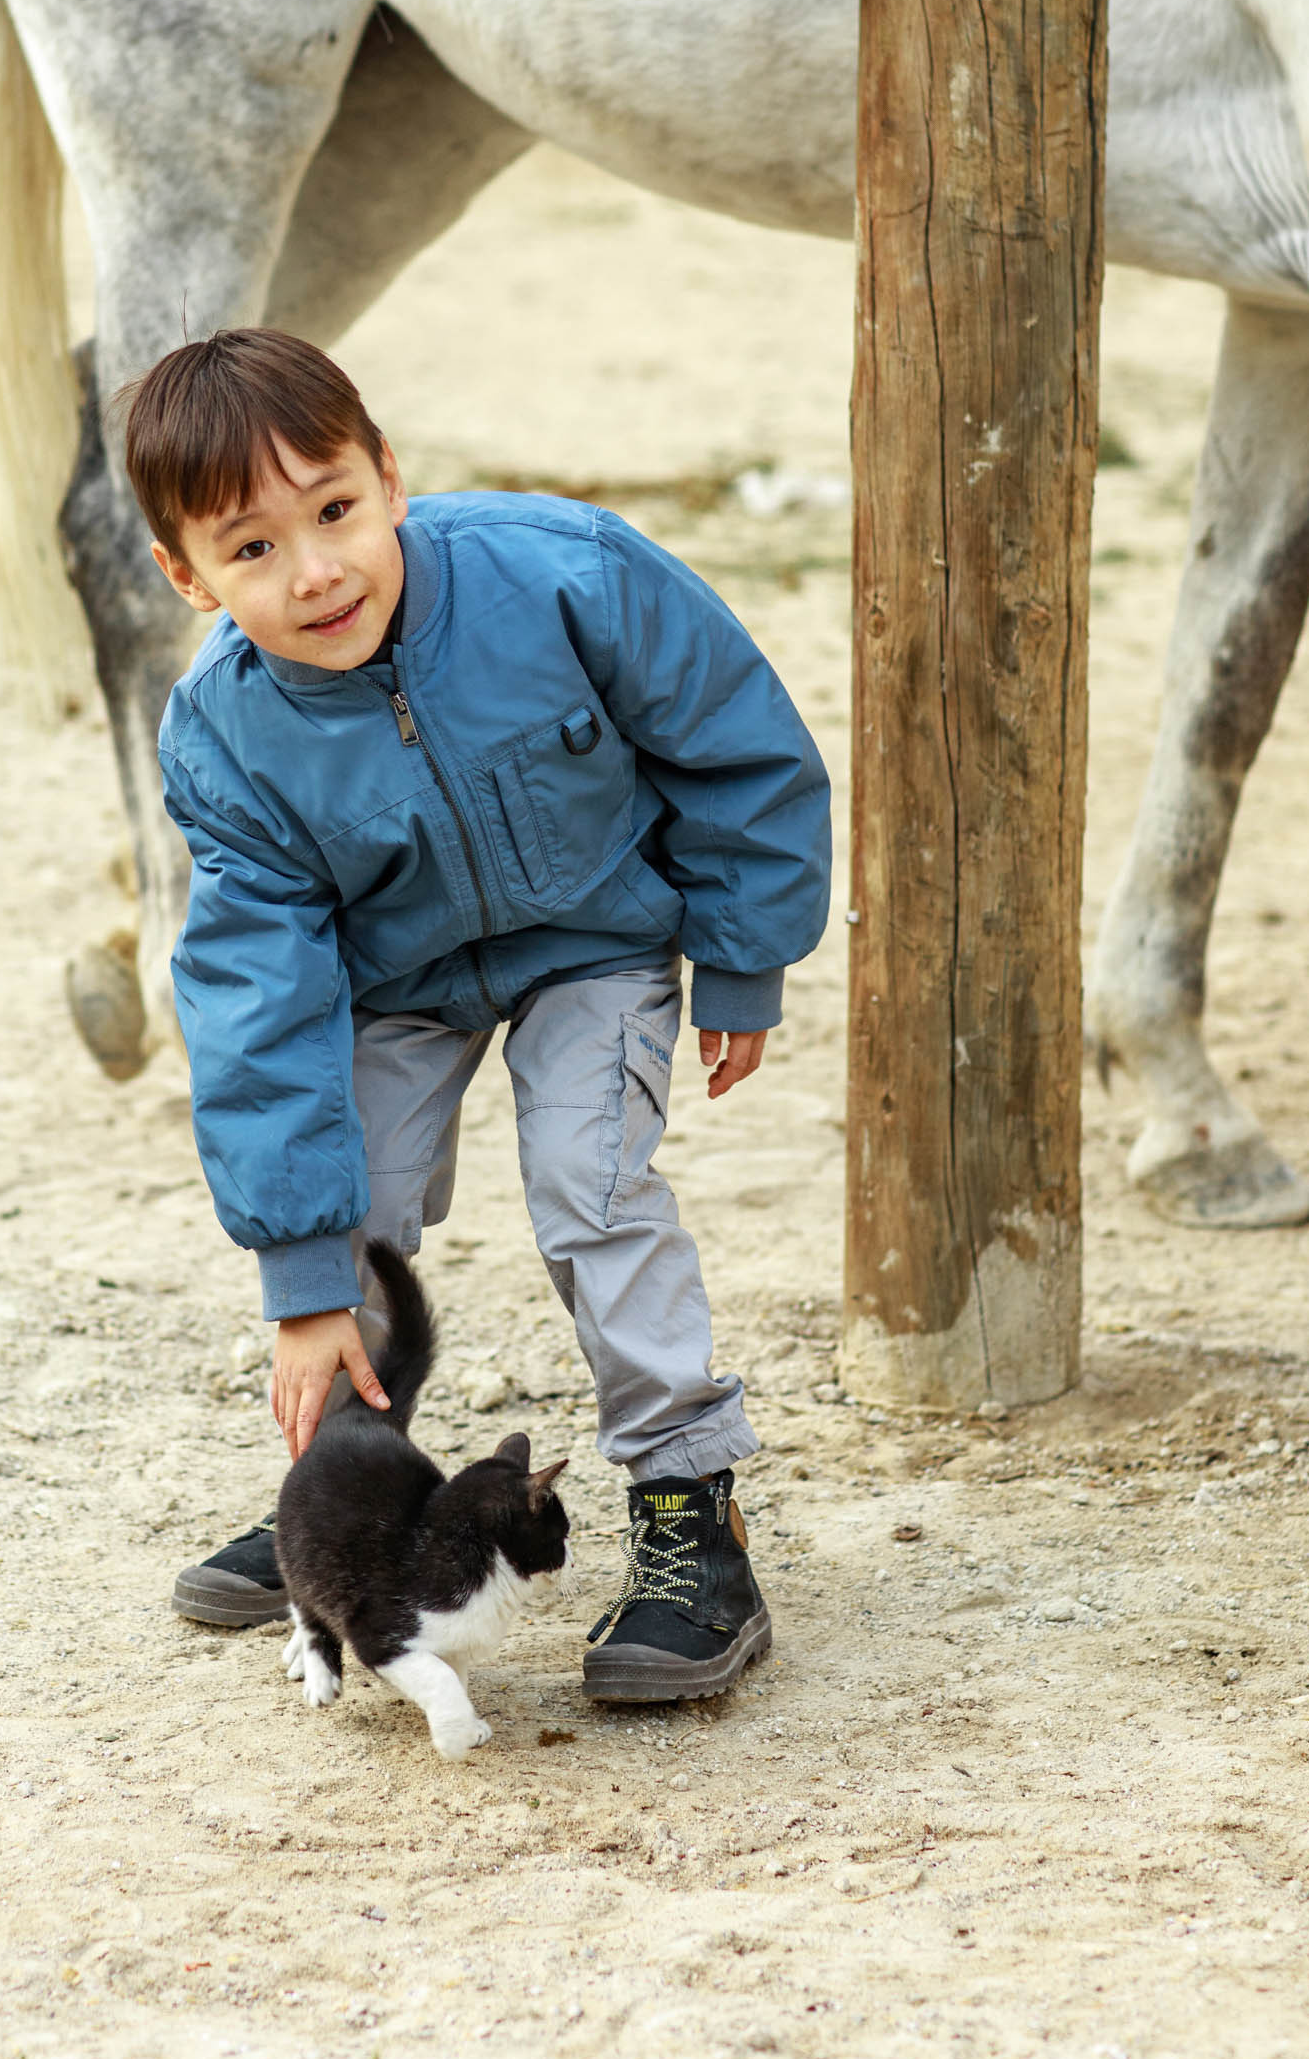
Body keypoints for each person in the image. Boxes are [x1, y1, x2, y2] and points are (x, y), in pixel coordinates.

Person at [137, 328, 830, 1703]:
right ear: (188, 577)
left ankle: (692, 1513)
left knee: (592, 1187)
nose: (316, 571)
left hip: (596, 947)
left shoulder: (566, 572)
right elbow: (258, 1003)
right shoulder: (221, 734)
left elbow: (738, 741)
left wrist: (743, 958)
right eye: (253, 549)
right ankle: (339, 1513)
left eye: (334, 510)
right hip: (395, 982)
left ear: (389, 477)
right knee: (351, 1207)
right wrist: (301, 1275)